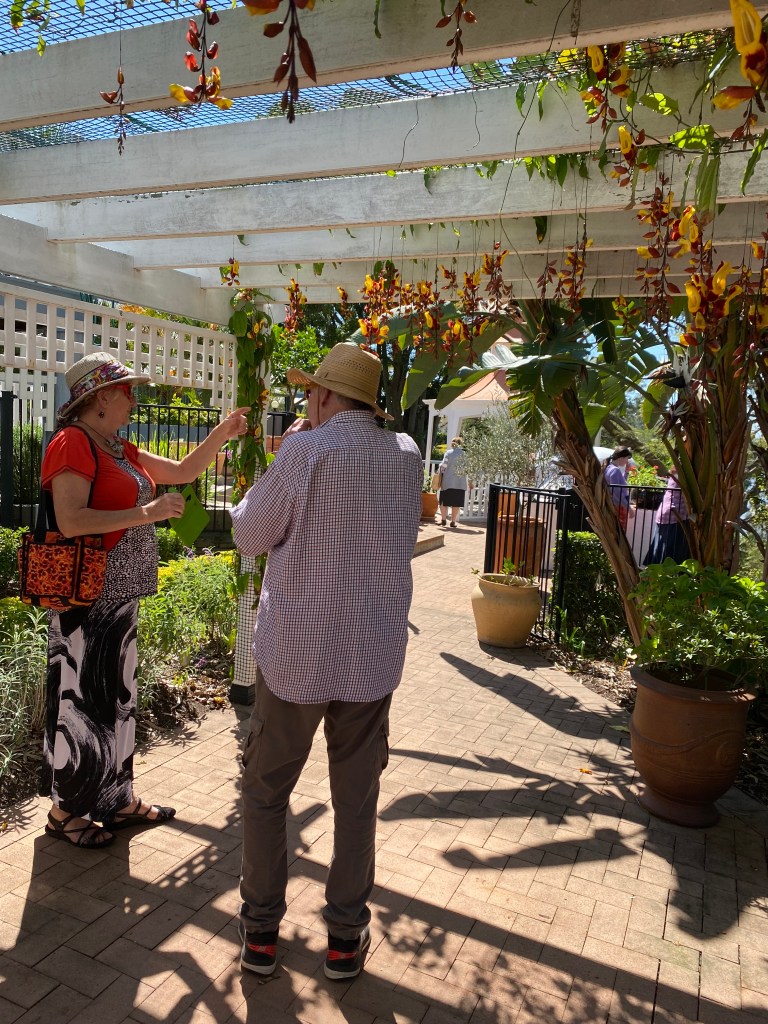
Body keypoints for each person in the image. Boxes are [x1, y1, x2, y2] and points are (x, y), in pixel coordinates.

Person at [231, 342, 422, 982]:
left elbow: (249, 535)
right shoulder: (406, 455)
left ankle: (261, 934)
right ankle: (344, 938)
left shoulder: (305, 451)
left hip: (297, 653)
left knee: (265, 792)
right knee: (357, 799)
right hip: (370, 652)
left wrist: (282, 460)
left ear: (321, 395)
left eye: (310, 391)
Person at [41, 352, 248, 849]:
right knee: (81, 705)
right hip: (87, 601)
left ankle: (116, 798)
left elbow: (182, 470)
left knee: (117, 700)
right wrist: (147, 512)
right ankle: (64, 811)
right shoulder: (72, 442)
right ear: (100, 398)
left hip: (121, 599)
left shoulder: (116, 447)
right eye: (127, 391)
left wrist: (222, 432)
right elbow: (70, 520)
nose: (134, 400)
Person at [642, 468, 690, 565]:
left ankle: (655, 569)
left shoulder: (674, 475)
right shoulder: (682, 476)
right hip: (676, 515)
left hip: (666, 512)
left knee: (660, 546)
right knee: (670, 550)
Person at [602, 446, 635, 530]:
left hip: (615, 504)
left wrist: (626, 472)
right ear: (621, 458)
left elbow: (621, 484)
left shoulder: (609, 468)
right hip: (618, 506)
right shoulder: (615, 470)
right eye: (626, 458)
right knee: (619, 530)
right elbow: (617, 492)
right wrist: (628, 508)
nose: (627, 461)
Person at [438, 436, 467, 528]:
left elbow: (443, 466)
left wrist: (439, 469)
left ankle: (443, 520)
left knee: (443, 502)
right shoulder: (464, 454)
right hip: (460, 483)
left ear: (452, 444)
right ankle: (453, 522)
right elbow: (468, 468)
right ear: (460, 444)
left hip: (448, 482)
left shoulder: (448, 453)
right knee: (456, 503)